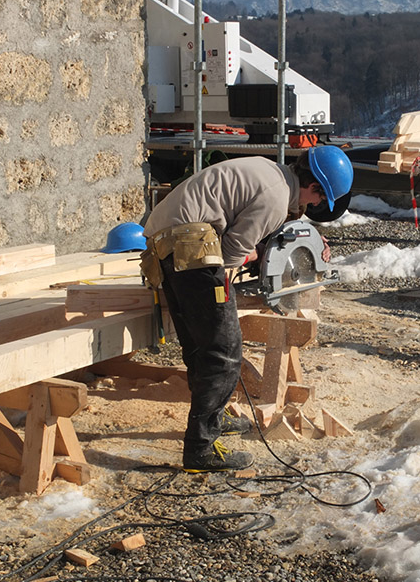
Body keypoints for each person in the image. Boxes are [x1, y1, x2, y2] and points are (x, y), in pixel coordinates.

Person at [140, 146, 354, 472]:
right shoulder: (276, 196)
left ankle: (214, 417)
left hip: (165, 241)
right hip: (191, 243)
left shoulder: (271, 174)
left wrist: (271, 247)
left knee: (200, 344)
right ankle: (201, 450)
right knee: (224, 351)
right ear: (314, 188)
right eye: (318, 200)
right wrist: (246, 265)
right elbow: (232, 252)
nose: (314, 206)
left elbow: (250, 228)